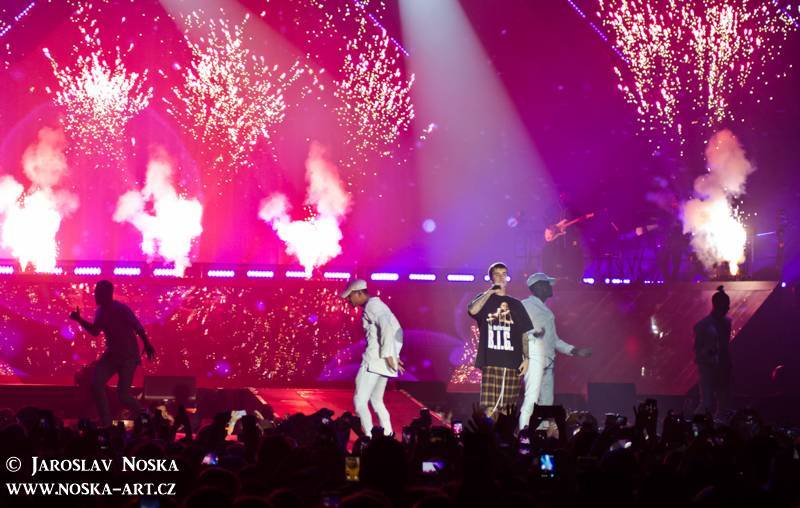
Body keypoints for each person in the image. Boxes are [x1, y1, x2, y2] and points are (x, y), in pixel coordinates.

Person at [69, 280, 155, 426]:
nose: (95, 295)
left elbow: (137, 326)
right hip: (112, 355)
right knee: (96, 384)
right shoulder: (101, 311)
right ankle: (106, 421)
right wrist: (79, 320)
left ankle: (146, 416)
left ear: (106, 294)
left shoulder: (121, 309)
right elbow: (96, 331)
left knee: (123, 396)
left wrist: (147, 343)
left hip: (128, 357)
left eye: (97, 292)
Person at [518, 273, 592, 431]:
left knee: (546, 403)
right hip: (534, 358)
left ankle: (542, 435)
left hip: (548, 361)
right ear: (537, 286)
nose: (550, 287)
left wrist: (575, 350)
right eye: (547, 284)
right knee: (531, 399)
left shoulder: (545, 309)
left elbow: (554, 340)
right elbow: (517, 329)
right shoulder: (525, 304)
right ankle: (524, 435)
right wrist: (532, 334)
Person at [468, 262, 533, 419]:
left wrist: (527, 358)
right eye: (497, 274)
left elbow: (524, 332)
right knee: (490, 408)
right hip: (491, 360)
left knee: (507, 409)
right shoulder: (484, 299)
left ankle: (505, 441)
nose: (501, 277)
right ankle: (489, 442)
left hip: (513, 362)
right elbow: (472, 310)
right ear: (491, 278)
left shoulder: (516, 304)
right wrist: (490, 292)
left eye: (504, 274)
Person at [341, 279, 404, 436]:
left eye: (350, 296)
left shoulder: (372, 306)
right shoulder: (379, 306)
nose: (348, 300)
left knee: (359, 401)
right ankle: (388, 435)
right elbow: (397, 330)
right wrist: (394, 355)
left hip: (374, 361)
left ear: (359, 293)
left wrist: (390, 355)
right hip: (382, 361)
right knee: (376, 400)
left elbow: (387, 328)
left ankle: (369, 438)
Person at [694, 285, 732, 416]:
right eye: (726, 305)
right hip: (708, 367)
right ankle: (696, 427)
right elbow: (698, 350)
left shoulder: (726, 322)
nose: (728, 308)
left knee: (721, 404)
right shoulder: (703, 325)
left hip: (721, 367)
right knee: (707, 402)